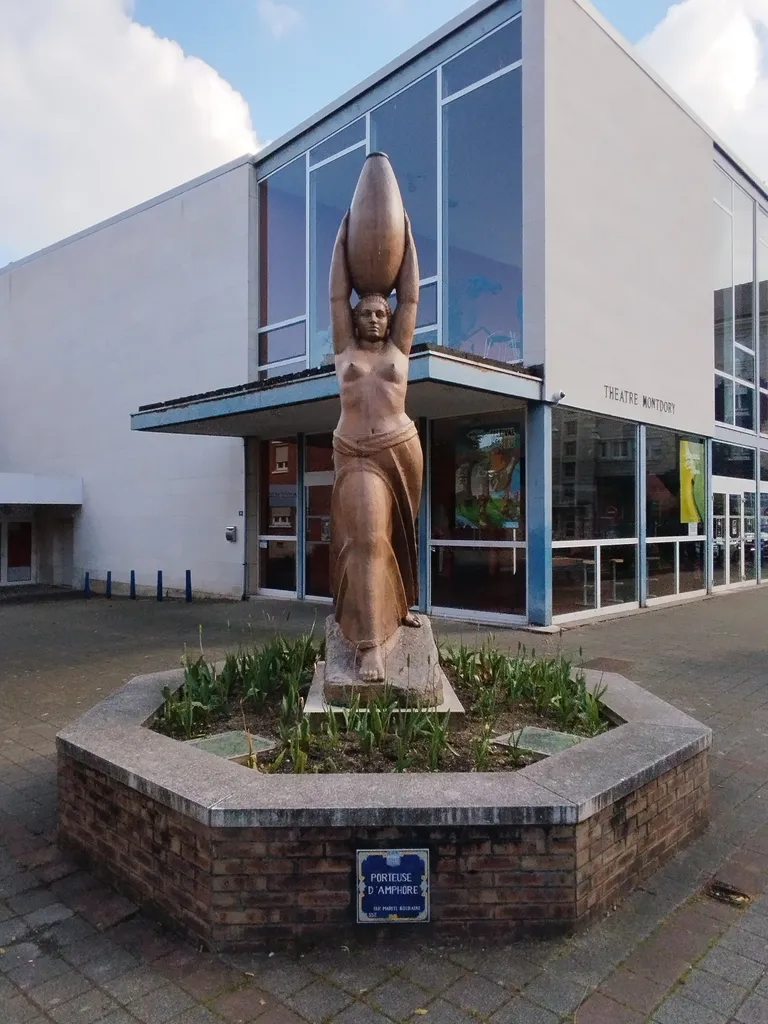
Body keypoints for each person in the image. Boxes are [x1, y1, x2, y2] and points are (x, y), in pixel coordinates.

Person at [328, 210, 422, 682]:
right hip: (357, 454)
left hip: (401, 450)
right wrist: (343, 240)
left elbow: (410, 297)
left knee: (397, 540)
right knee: (368, 539)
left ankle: (398, 607)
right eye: (365, 313)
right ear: (353, 318)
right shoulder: (345, 352)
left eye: (380, 313)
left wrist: (405, 239)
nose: (374, 319)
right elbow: (334, 294)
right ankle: (369, 646)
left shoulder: (397, 352)